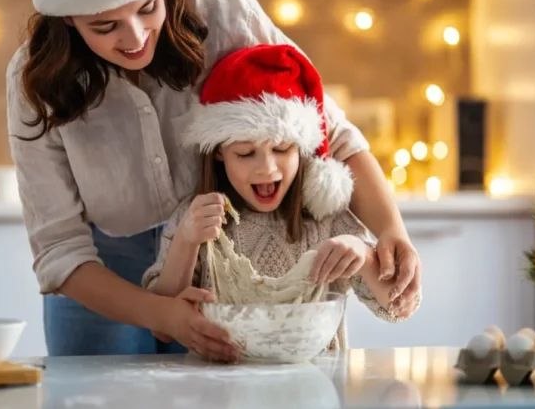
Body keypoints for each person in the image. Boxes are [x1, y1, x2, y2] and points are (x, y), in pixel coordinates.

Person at [7, 0, 421, 360]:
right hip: (105, 270)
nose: (136, 37)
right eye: (105, 26)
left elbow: (332, 132)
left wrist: (391, 230)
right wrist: (162, 314)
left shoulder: (224, 13)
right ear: (67, 22)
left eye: (147, 8)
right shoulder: (35, 80)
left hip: (225, 256)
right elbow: (60, 249)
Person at [142, 44, 420, 355]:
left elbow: (397, 308)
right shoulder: (194, 218)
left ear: (302, 149)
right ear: (219, 152)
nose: (267, 168)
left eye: (282, 149)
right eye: (246, 153)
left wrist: (364, 256)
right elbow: (162, 329)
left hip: (314, 390)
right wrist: (186, 241)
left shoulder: (326, 218)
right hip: (223, 393)